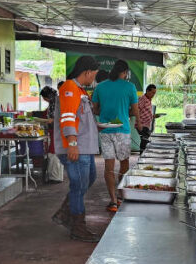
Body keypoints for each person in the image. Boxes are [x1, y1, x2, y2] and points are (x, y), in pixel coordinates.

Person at [53, 55, 102, 241]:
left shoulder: (80, 90)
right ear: (87, 72)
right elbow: (67, 117)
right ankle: (77, 226)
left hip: (85, 146)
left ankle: (65, 213)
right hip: (76, 147)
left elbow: (80, 117)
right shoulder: (69, 88)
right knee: (78, 185)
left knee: (88, 179)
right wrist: (72, 144)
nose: (94, 79)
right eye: (94, 75)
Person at [91, 59, 138, 213]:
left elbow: (95, 110)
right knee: (124, 164)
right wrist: (128, 115)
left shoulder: (100, 86)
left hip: (105, 130)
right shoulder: (130, 87)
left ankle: (112, 201)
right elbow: (135, 111)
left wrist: (106, 114)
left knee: (108, 168)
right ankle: (121, 195)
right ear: (124, 72)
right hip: (123, 130)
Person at [135, 83, 156, 153]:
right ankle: (142, 156)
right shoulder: (142, 99)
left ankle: (143, 155)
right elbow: (137, 110)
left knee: (145, 140)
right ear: (147, 91)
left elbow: (145, 111)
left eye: (154, 93)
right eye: (152, 92)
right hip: (141, 124)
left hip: (146, 124)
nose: (153, 94)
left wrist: (152, 116)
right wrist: (139, 123)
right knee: (145, 140)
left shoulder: (149, 99)